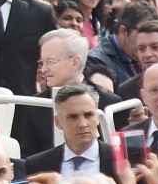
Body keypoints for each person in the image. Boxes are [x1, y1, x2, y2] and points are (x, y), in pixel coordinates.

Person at [19, 29, 122, 158]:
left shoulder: (111, 105)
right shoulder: (34, 106)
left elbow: (120, 159)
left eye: (50, 61)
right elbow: (29, 160)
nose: (43, 69)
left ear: (75, 62)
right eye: (42, 62)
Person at [25, 83, 119, 180]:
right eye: (73, 117)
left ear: (97, 118)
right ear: (58, 122)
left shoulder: (121, 159)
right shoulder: (38, 165)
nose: (82, 124)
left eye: (88, 115)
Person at [86, 2, 158, 90]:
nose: (148, 41)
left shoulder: (151, 59)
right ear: (122, 31)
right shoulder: (95, 61)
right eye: (143, 33)